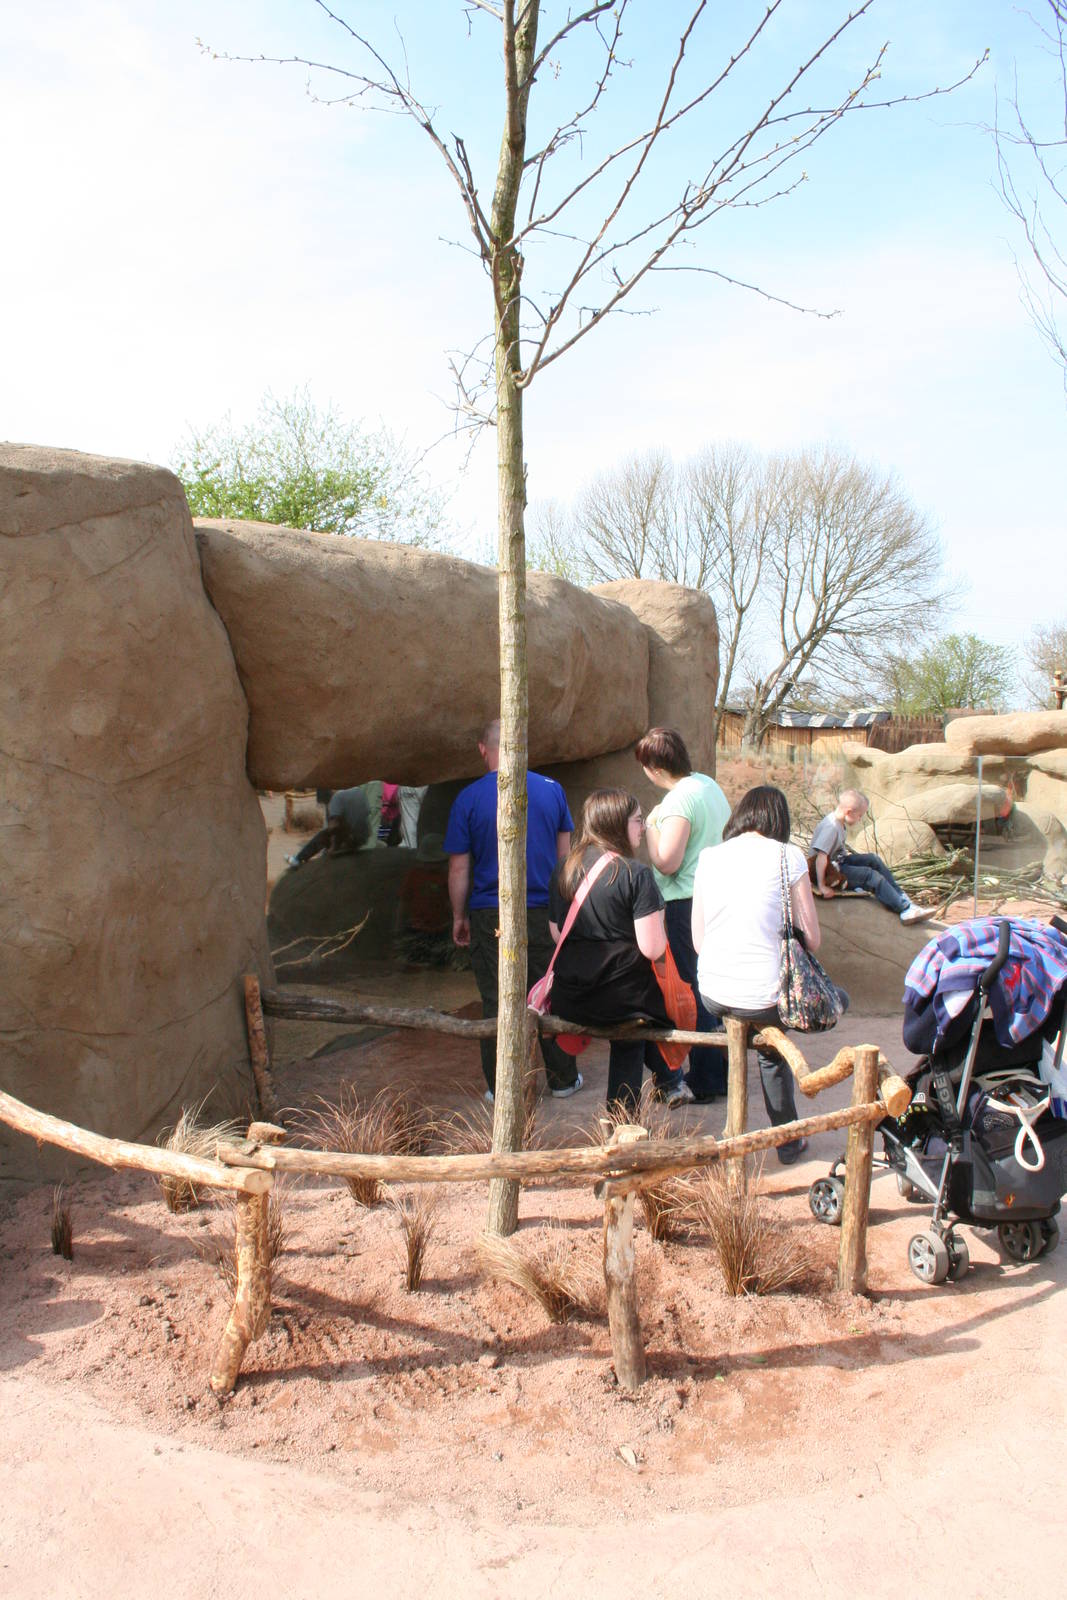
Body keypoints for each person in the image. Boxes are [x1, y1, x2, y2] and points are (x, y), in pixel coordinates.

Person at [692, 784, 849, 1164]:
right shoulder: (788, 857)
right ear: (779, 820)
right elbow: (812, 939)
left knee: (750, 1027)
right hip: (764, 999)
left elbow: (698, 941)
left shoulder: (709, 857)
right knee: (776, 1045)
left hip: (712, 991)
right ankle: (787, 1140)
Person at [444, 719, 583, 1102]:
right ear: (523, 747)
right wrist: (566, 912)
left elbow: (459, 867)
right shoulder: (553, 792)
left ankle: (501, 1086)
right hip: (543, 911)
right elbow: (565, 861)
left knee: (496, 998)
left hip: (490, 914)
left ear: (482, 749)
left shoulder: (467, 798)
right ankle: (562, 1080)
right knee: (548, 994)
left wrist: (460, 916)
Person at [548, 789, 689, 1111]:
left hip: (571, 997)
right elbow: (652, 948)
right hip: (622, 1000)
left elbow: (557, 933)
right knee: (638, 1024)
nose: (642, 829)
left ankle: (670, 1082)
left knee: (636, 1017)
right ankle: (622, 1121)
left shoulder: (563, 869)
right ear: (616, 824)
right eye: (638, 821)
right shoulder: (635, 874)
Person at [636, 726, 731, 1101]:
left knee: (693, 989)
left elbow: (668, 862)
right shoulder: (707, 785)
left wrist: (649, 829)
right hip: (714, 896)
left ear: (654, 768)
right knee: (710, 985)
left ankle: (707, 1080)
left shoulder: (678, 802)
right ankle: (718, 1074)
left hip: (685, 903)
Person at [809, 789, 934, 924]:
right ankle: (904, 909)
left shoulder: (839, 822)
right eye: (860, 815)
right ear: (849, 812)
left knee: (873, 860)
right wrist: (822, 886)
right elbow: (821, 857)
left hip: (837, 864)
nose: (860, 819)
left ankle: (903, 898)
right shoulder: (831, 828)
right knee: (870, 875)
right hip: (826, 873)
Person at [285, 785, 370, 867]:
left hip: (351, 840)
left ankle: (298, 859)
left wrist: (333, 847)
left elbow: (334, 825)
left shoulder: (337, 797)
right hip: (365, 837)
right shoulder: (359, 791)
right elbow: (367, 812)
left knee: (323, 834)